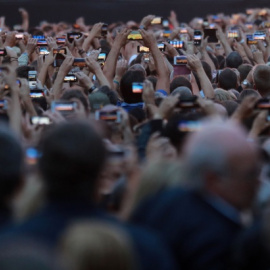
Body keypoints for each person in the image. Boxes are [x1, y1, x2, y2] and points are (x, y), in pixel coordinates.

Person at [131, 122, 260, 270]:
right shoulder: (220, 240)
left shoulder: (158, 203)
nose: (258, 182)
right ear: (212, 180)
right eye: (250, 174)